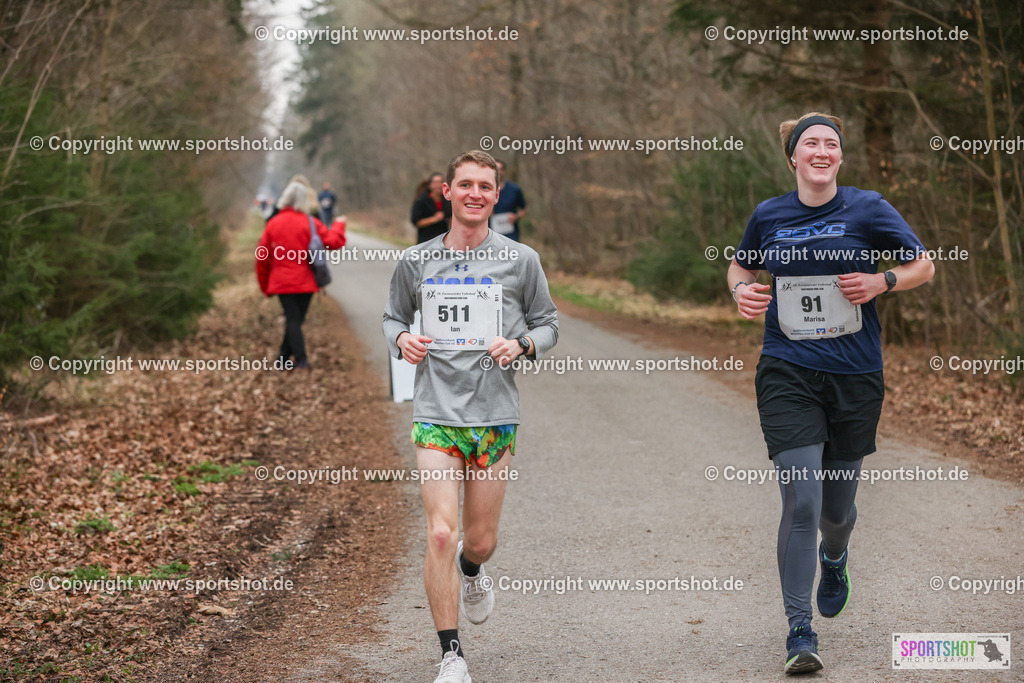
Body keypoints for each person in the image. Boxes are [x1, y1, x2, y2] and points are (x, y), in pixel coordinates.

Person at [727, 112, 934, 675]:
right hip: (787, 371)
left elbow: (923, 264)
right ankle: (799, 629)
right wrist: (744, 290)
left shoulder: (868, 208)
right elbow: (740, 265)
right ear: (793, 157)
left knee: (836, 511)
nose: (822, 150)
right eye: (810, 143)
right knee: (803, 499)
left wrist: (881, 281)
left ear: (840, 158)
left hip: (855, 374)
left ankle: (835, 556)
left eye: (831, 144)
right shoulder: (769, 215)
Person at [383, 150, 558, 683]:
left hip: (494, 415)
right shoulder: (415, 261)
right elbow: (392, 317)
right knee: (439, 532)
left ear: (497, 194)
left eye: (486, 185)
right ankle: (451, 655)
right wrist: (403, 339)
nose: (475, 193)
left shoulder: (521, 260)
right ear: (448, 194)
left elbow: (548, 324)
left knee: (478, 540)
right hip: (436, 411)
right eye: (466, 185)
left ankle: (473, 568)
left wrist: (523, 344)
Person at [257, 180, 346, 369]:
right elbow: (334, 241)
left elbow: (262, 257)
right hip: (305, 282)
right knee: (295, 320)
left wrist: (264, 284)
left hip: (281, 282)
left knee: (293, 320)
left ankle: (282, 361)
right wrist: (339, 225)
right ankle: (301, 359)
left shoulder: (273, 224)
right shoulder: (310, 223)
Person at [488, 159, 527, 242]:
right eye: (494, 169)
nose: (497, 172)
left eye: (499, 169)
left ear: (504, 171)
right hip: (489, 234)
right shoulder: (484, 189)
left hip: (510, 235)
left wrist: (516, 217)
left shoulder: (515, 189)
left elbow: (523, 209)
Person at [410, 172, 452, 243]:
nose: (438, 185)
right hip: (425, 242)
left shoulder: (448, 201)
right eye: (435, 182)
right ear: (430, 185)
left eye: (440, 182)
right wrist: (434, 219)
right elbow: (416, 222)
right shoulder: (421, 201)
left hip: (443, 243)